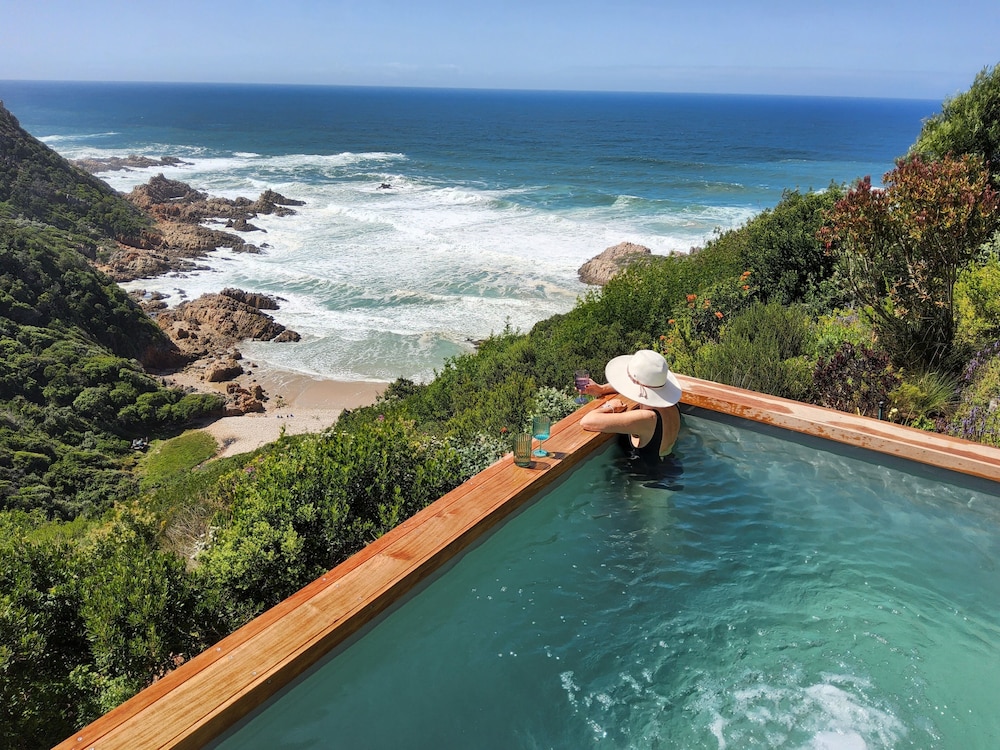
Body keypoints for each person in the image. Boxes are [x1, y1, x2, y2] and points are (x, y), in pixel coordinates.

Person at [579, 349, 682, 459]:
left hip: (646, 475)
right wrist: (602, 389)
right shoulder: (671, 403)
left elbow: (587, 421)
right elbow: (642, 385)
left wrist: (610, 407)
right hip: (667, 463)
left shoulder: (647, 418)